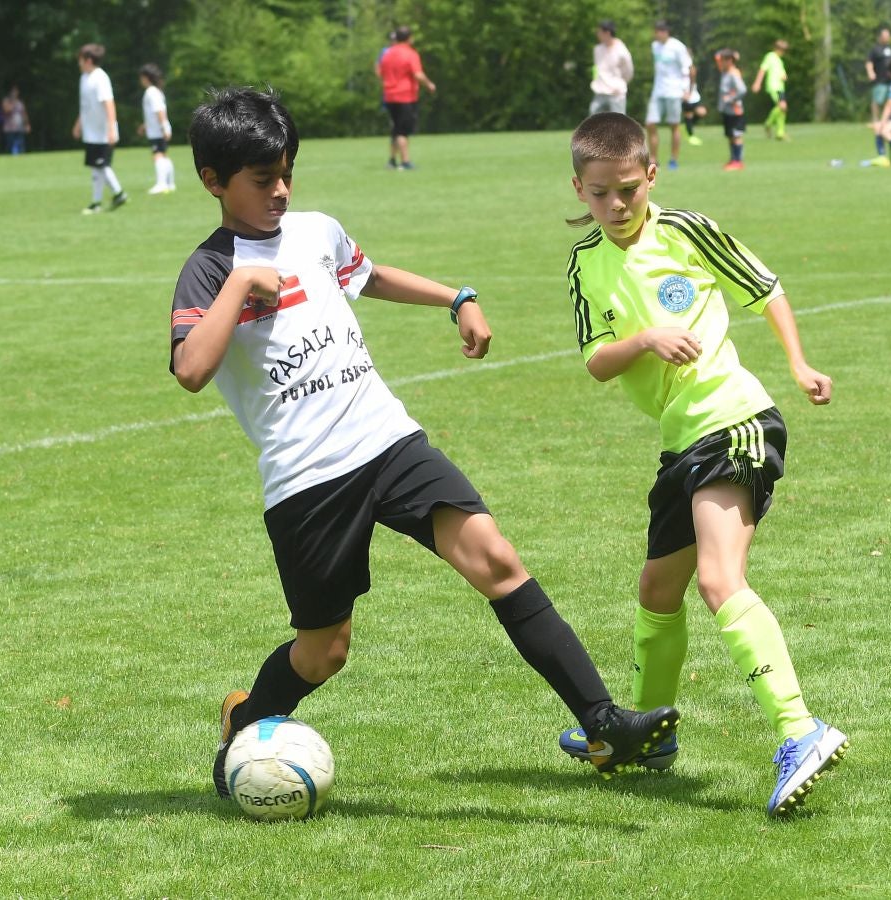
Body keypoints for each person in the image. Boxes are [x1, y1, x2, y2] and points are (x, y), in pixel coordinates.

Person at [171, 88, 679, 800]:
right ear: (213, 182)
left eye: (286, 172)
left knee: (496, 559)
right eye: (262, 180)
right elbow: (191, 368)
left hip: (386, 437)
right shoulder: (209, 269)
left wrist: (454, 297)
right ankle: (248, 726)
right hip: (309, 479)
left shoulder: (316, 231)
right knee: (325, 652)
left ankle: (604, 724)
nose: (280, 191)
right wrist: (239, 287)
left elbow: (367, 276)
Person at [559, 112, 849, 816]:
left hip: (736, 421)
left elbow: (765, 286)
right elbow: (596, 361)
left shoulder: (686, 231)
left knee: (720, 580)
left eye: (627, 189)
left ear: (650, 176)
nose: (616, 206)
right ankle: (648, 735)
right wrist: (645, 339)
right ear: (579, 188)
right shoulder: (585, 262)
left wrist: (799, 363)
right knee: (658, 589)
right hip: (681, 441)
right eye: (599, 194)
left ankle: (799, 729)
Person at [74, 43, 128, 214]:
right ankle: (98, 202)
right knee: (96, 166)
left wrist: (112, 128)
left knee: (101, 165)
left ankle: (117, 193)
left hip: (103, 131)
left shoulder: (100, 77)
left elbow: (109, 104)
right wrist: (78, 124)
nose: (79, 64)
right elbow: (85, 106)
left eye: (81, 60)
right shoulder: (84, 78)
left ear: (88, 60)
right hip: (91, 132)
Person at [377, 26, 435, 170]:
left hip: (389, 95)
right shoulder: (410, 53)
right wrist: (429, 84)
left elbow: (380, 71)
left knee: (396, 128)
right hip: (405, 96)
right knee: (403, 130)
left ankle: (391, 161)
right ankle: (405, 161)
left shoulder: (387, 54)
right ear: (409, 38)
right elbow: (417, 74)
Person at [647, 21, 695, 170]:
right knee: (650, 123)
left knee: (674, 125)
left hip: (674, 91)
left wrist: (688, 90)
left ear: (667, 32)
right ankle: (653, 160)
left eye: (661, 31)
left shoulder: (677, 47)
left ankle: (673, 160)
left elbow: (689, 69)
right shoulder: (655, 46)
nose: (658, 34)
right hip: (658, 91)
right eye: (656, 31)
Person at [138, 64, 175, 194]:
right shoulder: (156, 91)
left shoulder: (151, 92)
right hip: (158, 128)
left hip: (157, 130)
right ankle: (170, 183)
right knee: (163, 154)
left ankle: (161, 184)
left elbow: (159, 111)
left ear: (146, 78)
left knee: (158, 155)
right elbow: (152, 113)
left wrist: (163, 126)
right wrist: (145, 126)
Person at [589, 20, 633, 116]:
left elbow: (629, 71)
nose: (598, 34)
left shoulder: (621, 50)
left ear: (607, 33)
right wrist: (595, 81)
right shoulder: (597, 49)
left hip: (616, 91)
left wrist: (621, 83)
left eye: (599, 32)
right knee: (593, 120)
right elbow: (597, 68)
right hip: (600, 90)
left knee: (618, 123)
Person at [752, 38, 789, 141]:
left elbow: (782, 74)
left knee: (783, 109)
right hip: (774, 86)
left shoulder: (779, 61)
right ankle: (768, 124)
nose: (783, 52)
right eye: (782, 50)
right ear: (777, 48)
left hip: (781, 87)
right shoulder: (770, 56)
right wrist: (757, 83)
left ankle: (780, 133)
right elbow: (762, 70)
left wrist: (784, 77)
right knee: (782, 106)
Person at [715, 49, 746, 171]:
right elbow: (716, 57)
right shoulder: (725, 71)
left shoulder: (733, 73)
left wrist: (731, 99)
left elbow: (742, 90)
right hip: (727, 111)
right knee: (730, 136)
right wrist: (734, 54)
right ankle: (733, 159)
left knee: (736, 135)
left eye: (724, 60)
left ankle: (738, 161)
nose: (720, 62)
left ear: (729, 61)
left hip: (735, 110)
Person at [865, 27, 891, 127]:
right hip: (879, 80)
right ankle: (875, 119)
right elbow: (869, 62)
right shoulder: (875, 49)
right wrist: (870, 72)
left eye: (888, 36)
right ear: (880, 37)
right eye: (885, 36)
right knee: (877, 101)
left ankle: (888, 119)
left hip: (890, 80)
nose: (887, 38)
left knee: (890, 100)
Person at [2, 86, 30, 155]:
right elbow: (6, 111)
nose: (14, 93)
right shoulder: (6, 101)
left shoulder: (20, 102)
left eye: (16, 92)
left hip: (19, 127)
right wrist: (12, 103)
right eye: (13, 92)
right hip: (9, 128)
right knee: (10, 145)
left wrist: (27, 124)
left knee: (21, 145)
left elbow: (24, 114)